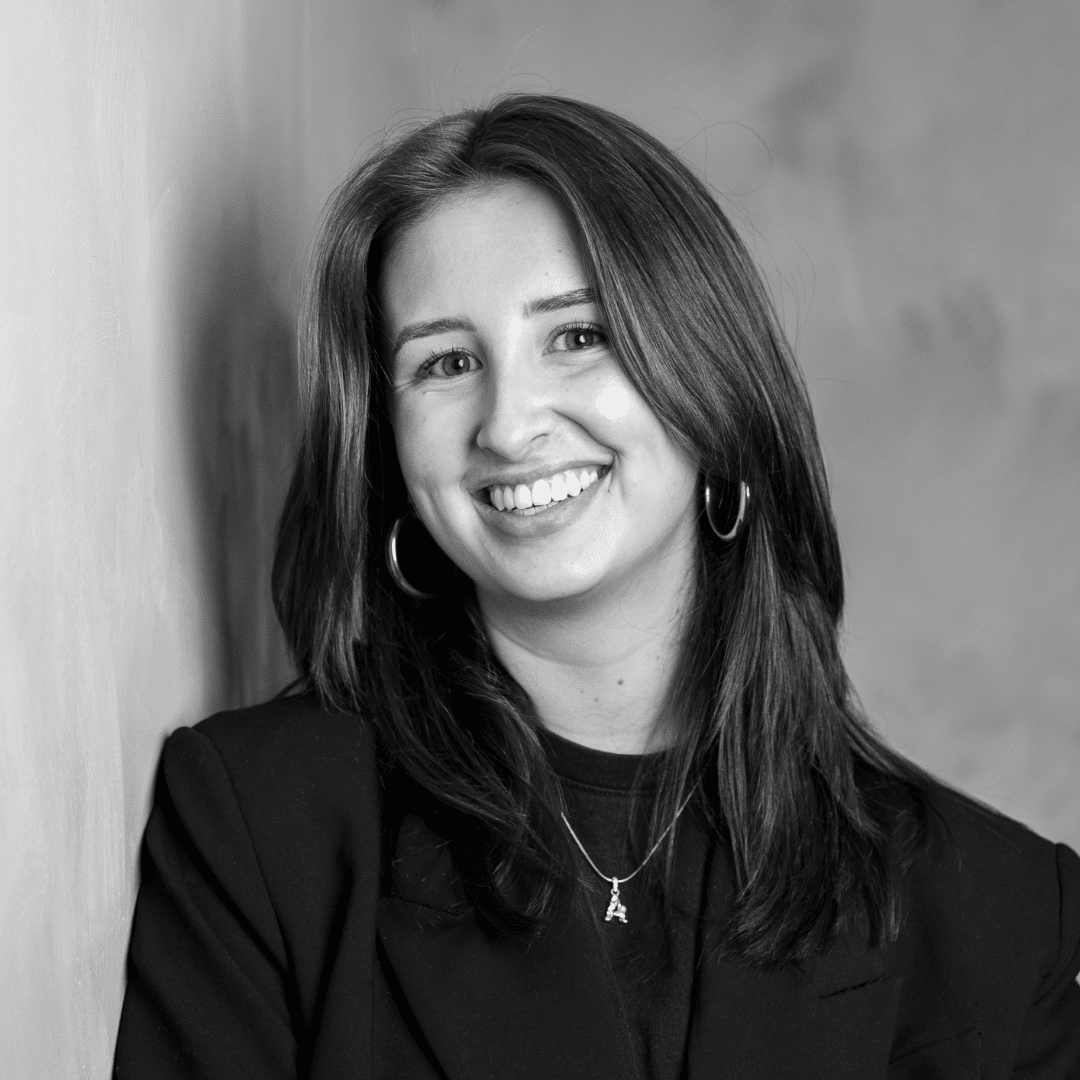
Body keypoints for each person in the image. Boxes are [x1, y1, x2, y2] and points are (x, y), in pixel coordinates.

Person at [113, 94, 1080, 1079]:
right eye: (446, 361)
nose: (509, 425)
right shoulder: (260, 824)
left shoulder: (1008, 920)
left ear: (711, 374)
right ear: (387, 443)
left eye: (577, 337)